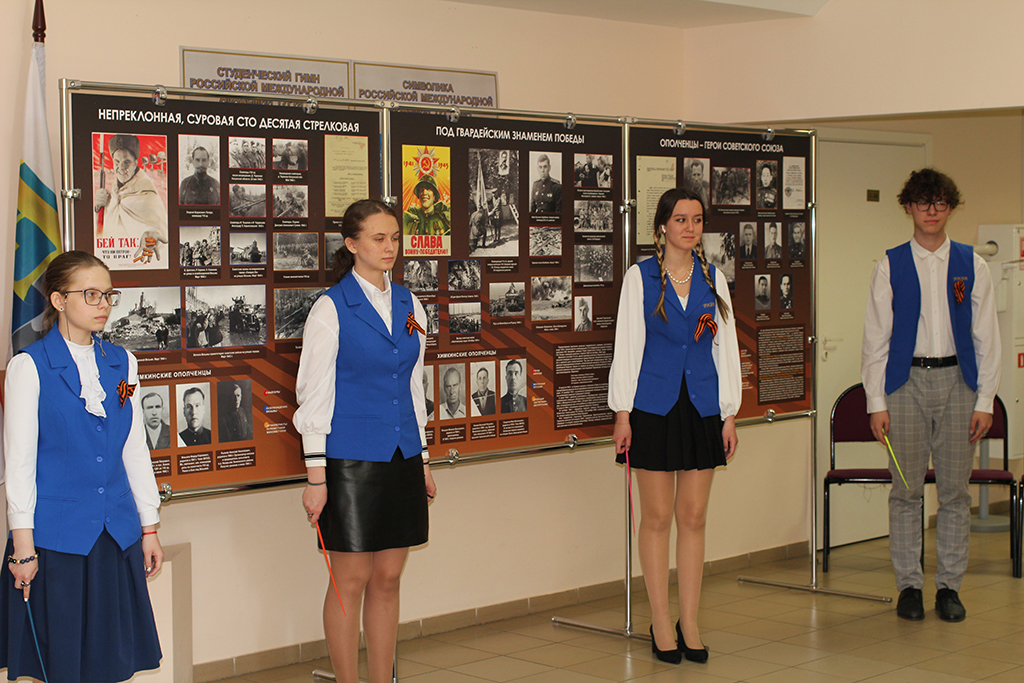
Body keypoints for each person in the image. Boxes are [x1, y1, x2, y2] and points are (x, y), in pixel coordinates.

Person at [0, 250, 163, 682]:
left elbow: (133, 448)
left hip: (116, 536)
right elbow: (19, 463)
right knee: (60, 664)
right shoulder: (29, 366)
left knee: (109, 663)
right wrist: (23, 548)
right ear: (58, 300)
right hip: (58, 542)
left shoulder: (123, 362)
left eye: (109, 295)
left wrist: (149, 527)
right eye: (91, 295)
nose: (104, 305)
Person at [294, 199, 435, 683]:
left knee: (389, 578)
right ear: (352, 244)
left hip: (402, 455)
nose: (389, 247)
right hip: (349, 460)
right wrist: (316, 477)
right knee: (350, 579)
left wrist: (423, 460)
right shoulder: (331, 308)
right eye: (378, 238)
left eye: (395, 237)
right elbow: (313, 396)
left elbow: (414, 385)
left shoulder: (410, 303)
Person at [861, 168, 1000, 623]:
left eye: (940, 203)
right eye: (923, 203)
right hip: (905, 386)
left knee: (955, 493)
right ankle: (909, 586)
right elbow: (875, 341)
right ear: (909, 208)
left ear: (950, 207)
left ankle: (949, 588)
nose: (932, 211)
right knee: (906, 491)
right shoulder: (890, 265)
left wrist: (985, 400)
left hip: (959, 384)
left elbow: (987, 337)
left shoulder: (972, 264)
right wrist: (876, 403)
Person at [609, 187, 740, 665]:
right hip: (653, 408)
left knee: (694, 517)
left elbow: (726, 348)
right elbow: (628, 346)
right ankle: (661, 621)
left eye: (697, 219)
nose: (689, 227)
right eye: (680, 219)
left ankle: (690, 620)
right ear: (662, 226)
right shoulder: (640, 277)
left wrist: (729, 412)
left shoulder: (714, 279)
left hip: (702, 407)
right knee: (658, 517)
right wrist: (622, 412)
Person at [93, 134, 168, 264]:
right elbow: (100, 234)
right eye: (117, 162)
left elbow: (161, 233)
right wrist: (97, 208)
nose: (121, 167)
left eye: (126, 162)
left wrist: (151, 236)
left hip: (141, 264)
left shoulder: (148, 195)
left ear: (135, 163)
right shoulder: (112, 194)